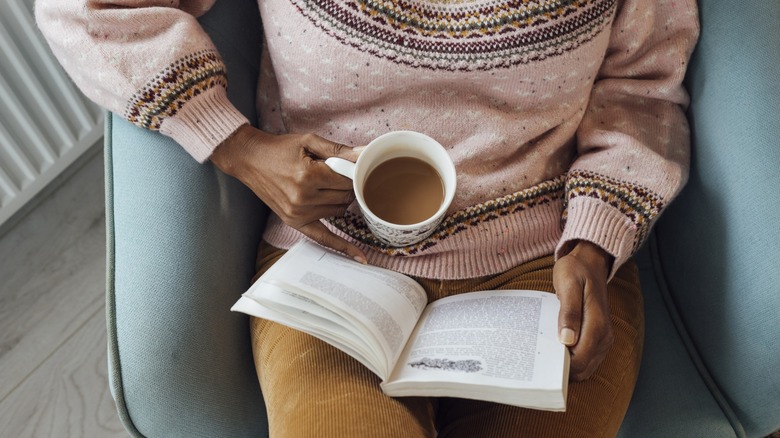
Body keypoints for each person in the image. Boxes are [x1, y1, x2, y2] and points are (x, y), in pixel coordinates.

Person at [36, 0, 699, 435]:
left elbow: (643, 89)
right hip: (330, 262)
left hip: (549, 265)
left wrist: (596, 239)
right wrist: (239, 147)